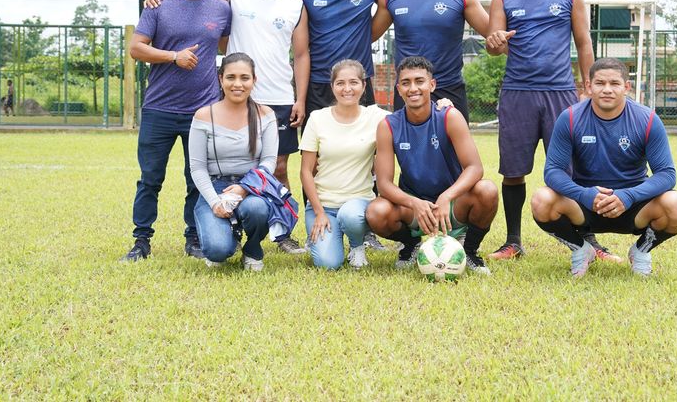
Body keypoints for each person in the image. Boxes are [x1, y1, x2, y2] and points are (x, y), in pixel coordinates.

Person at [144, 0, 310, 255]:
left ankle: (282, 234)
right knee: (224, 163)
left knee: (278, 167)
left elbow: (301, 54)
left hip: (278, 96)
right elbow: (198, 3)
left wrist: (299, 98)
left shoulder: (294, 4)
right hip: (236, 93)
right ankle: (224, 222)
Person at [485, 0, 615, 263]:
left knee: (572, 169)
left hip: (561, 93)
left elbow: (584, 43)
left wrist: (589, 88)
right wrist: (494, 41)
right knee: (513, 170)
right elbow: (493, 45)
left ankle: (590, 240)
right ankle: (513, 241)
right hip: (518, 93)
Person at [122, 0, 232, 262]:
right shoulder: (159, 4)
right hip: (159, 108)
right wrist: (173, 56)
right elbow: (136, 48)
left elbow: (226, 45)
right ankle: (141, 240)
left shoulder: (221, 9)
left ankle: (194, 238)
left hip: (203, 111)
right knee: (150, 178)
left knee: (197, 179)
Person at [531, 58, 677, 277]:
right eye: (600, 83)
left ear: (626, 87)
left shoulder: (647, 119)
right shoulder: (570, 118)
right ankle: (581, 249)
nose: (607, 89)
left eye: (614, 83)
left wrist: (629, 196)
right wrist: (584, 194)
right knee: (541, 200)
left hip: (633, 205)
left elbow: (667, 174)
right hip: (586, 203)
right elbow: (553, 171)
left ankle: (641, 251)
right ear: (589, 86)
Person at [366, 56, 498, 274]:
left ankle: (469, 251)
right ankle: (411, 245)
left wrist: (446, 197)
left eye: (420, 81)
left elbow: (474, 168)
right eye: (406, 83)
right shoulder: (388, 125)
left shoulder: (449, 116)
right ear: (399, 89)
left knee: (487, 190)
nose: (413, 88)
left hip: (453, 204)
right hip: (414, 207)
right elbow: (384, 184)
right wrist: (415, 203)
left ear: (432, 85)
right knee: (376, 212)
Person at [372, 0, 490, 121]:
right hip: (409, 90)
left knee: (456, 142)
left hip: (449, 87)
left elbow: (493, 33)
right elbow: (367, 35)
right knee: (406, 142)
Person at [189, 53, 277, 271]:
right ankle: (229, 234)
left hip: (252, 187)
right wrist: (214, 202)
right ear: (221, 79)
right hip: (215, 186)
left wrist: (244, 188)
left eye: (244, 78)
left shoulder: (266, 114)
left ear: (254, 80)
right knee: (218, 251)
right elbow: (197, 168)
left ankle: (252, 248)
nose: (238, 84)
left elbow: (268, 161)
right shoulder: (203, 115)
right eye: (231, 77)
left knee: (257, 209)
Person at [299, 59, 391, 270]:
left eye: (353, 82)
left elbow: (411, 115)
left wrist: (440, 104)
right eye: (340, 83)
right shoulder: (317, 118)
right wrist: (319, 212)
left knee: (350, 215)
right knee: (328, 263)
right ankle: (330, 237)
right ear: (332, 86)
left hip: (358, 204)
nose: (347, 89)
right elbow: (305, 171)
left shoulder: (376, 117)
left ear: (364, 86)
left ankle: (357, 245)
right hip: (324, 205)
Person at [292, 0, 388, 117]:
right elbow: (297, 46)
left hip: (357, 81)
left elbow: (391, 7)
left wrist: (365, 37)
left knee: (364, 137)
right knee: (318, 136)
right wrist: (300, 99)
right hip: (319, 82)